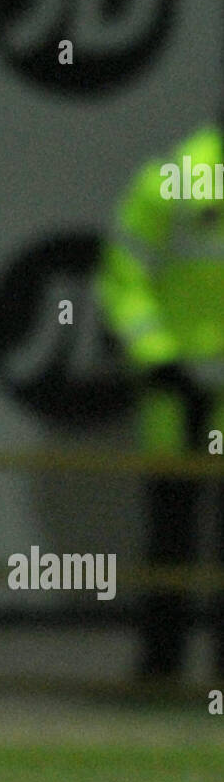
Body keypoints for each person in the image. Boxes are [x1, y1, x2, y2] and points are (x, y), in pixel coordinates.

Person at [96, 122, 224, 681]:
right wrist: (158, 355)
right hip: (176, 390)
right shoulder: (173, 180)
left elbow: (124, 277)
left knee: (173, 533)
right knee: (171, 533)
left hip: (182, 382)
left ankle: (163, 666)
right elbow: (125, 276)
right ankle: (161, 663)